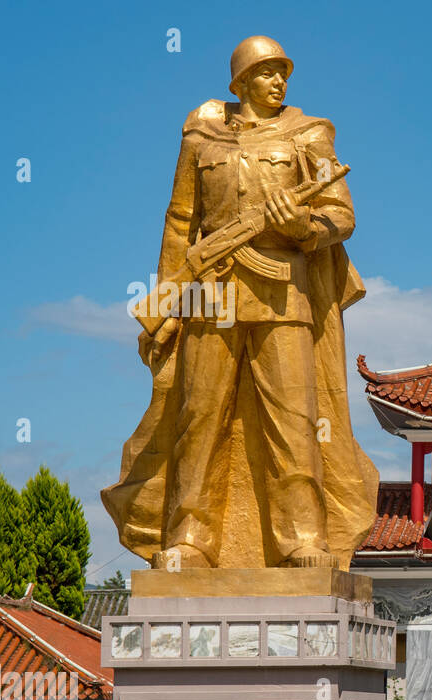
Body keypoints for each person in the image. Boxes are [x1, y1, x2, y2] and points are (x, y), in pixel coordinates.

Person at [103, 36, 378, 571]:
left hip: (284, 293)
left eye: (283, 74)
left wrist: (299, 225)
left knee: (294, 419)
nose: (279, 83)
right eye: (268, 73)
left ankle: (302, 538)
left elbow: (341, 214)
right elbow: (180, 222)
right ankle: (188, 540)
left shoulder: (309, 134)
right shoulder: (201, 138)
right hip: (210, 292)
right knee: (198, 417)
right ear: (241, 82)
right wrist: (165, 304)